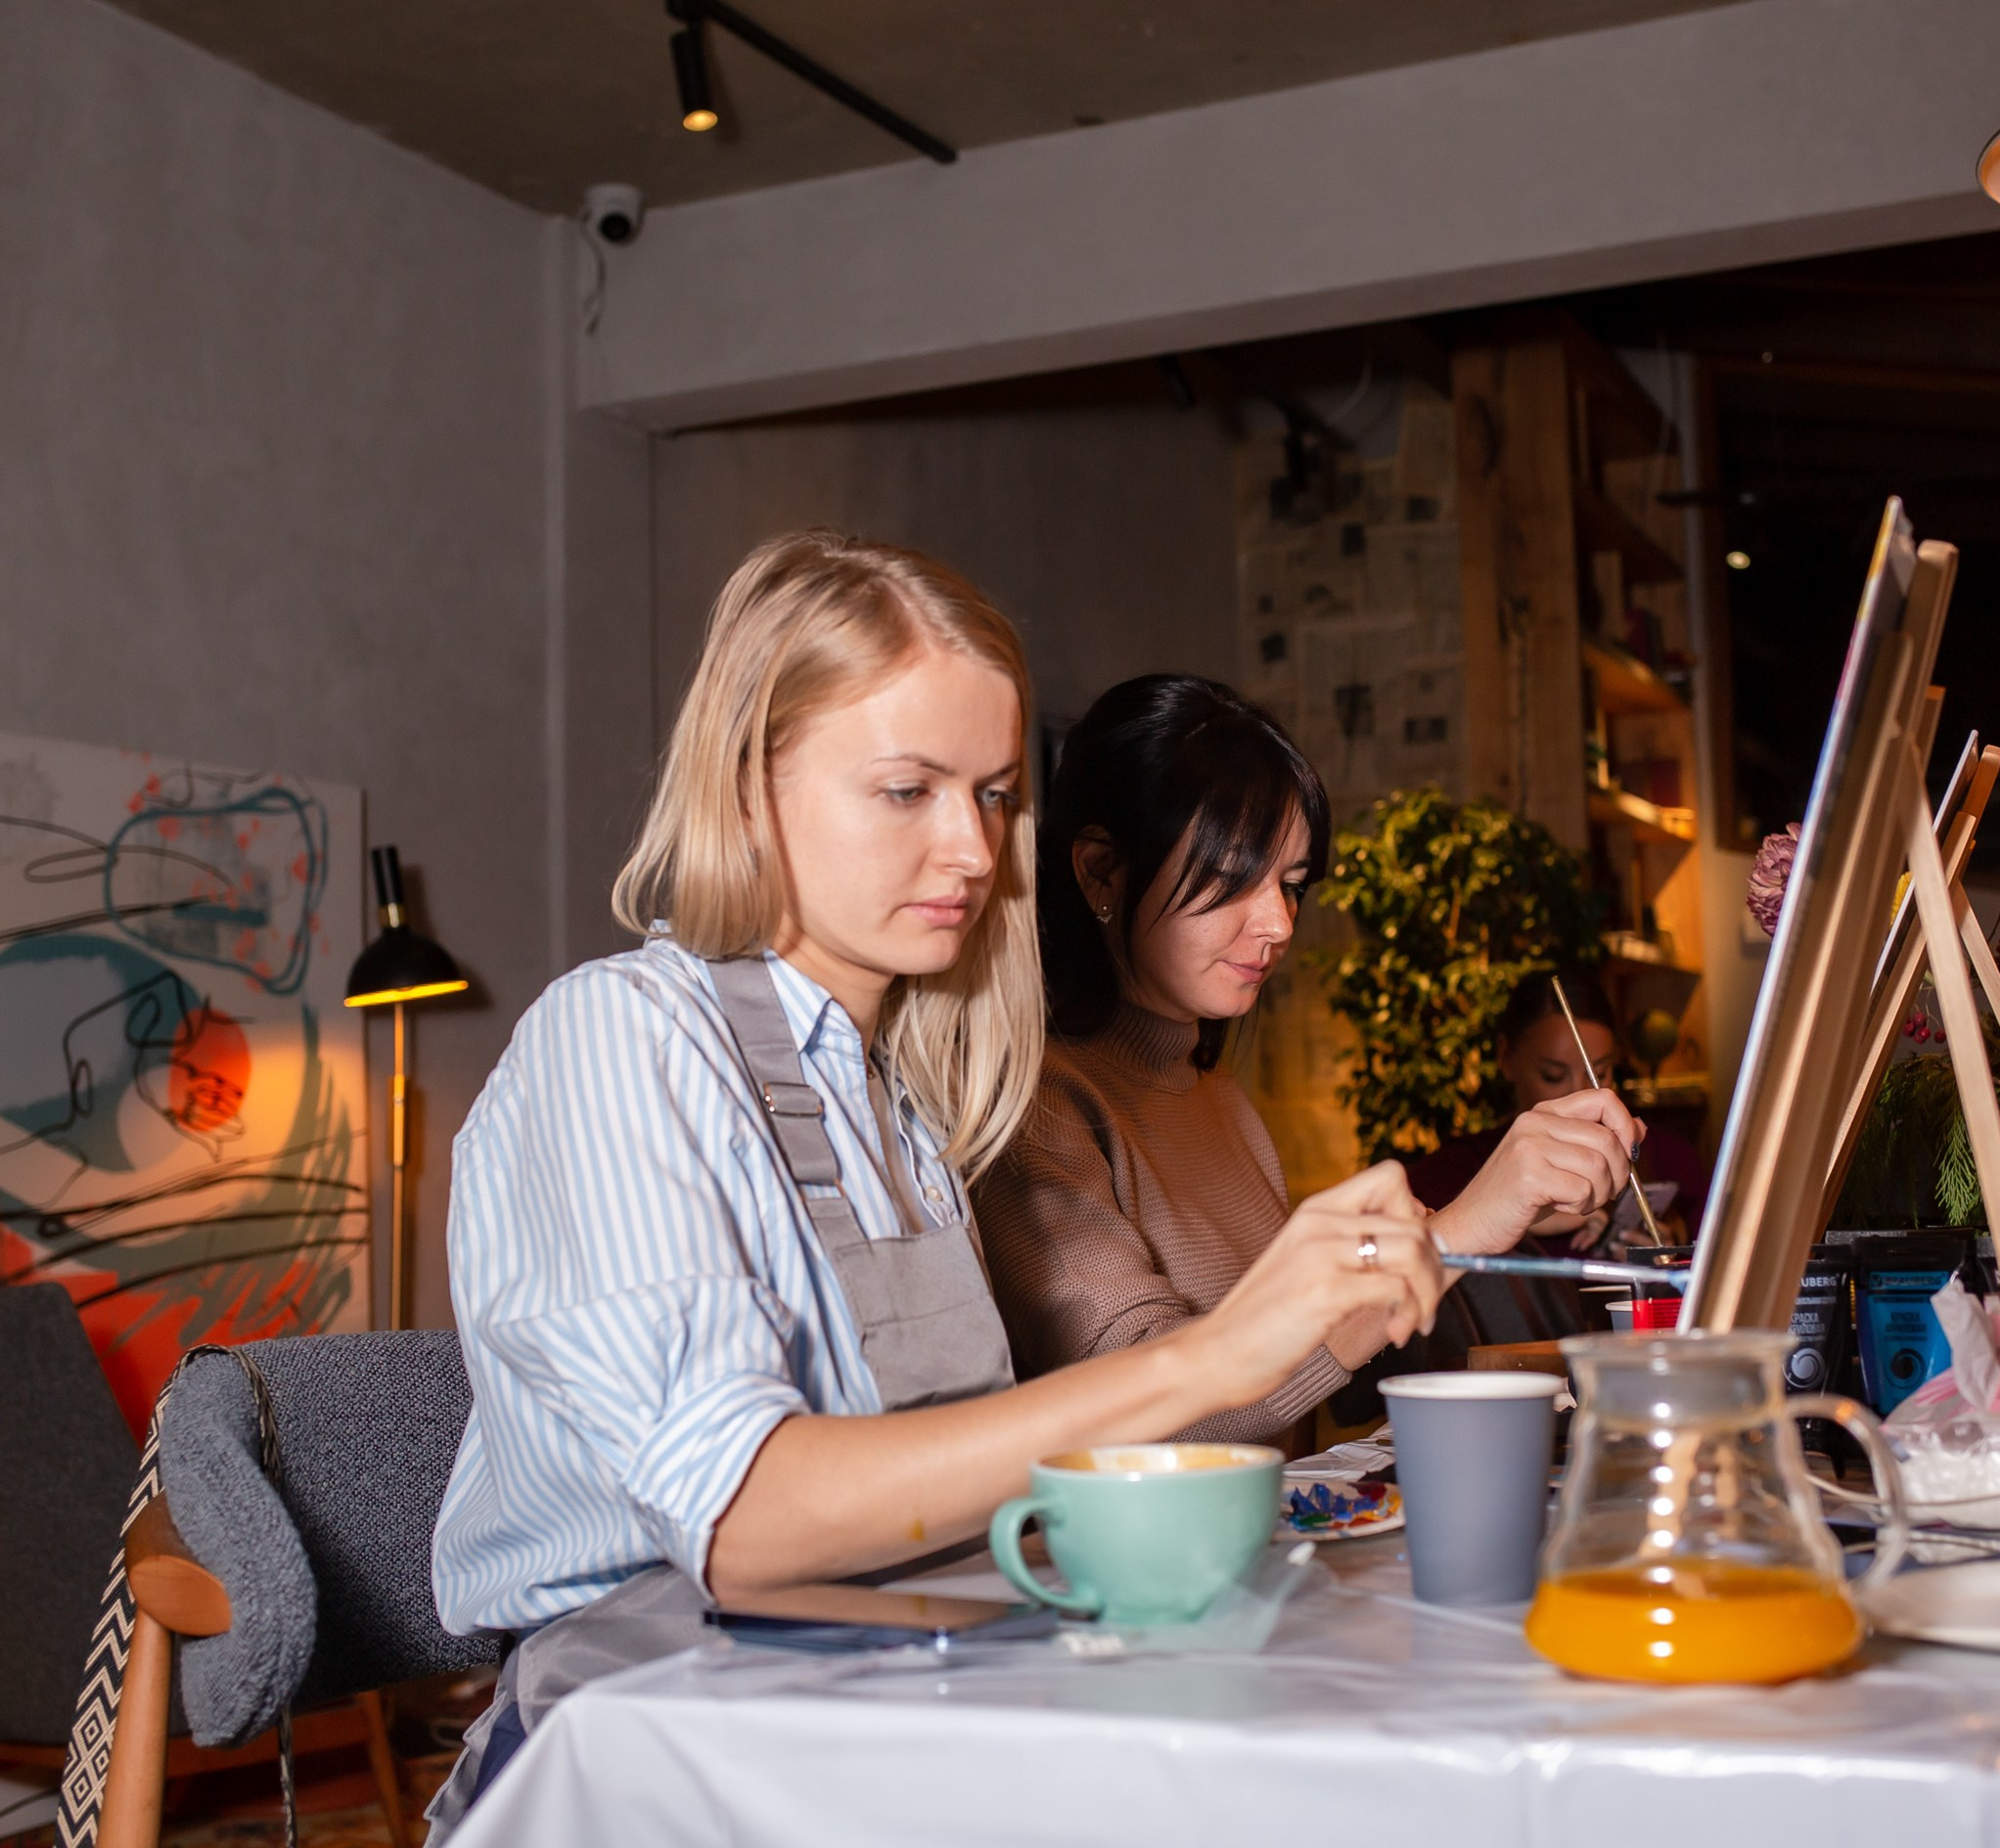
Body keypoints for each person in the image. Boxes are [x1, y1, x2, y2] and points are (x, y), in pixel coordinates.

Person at [424, 538, 1447, 1837]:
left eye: (996, 795)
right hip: (641, 1742)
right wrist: (1216, 1357)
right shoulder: (620, 1039)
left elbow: (952, 1488)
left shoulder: (901, 1100)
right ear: (750, 787)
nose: (970, 848)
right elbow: (744, 1519)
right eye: (908, 790)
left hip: (876, 1684)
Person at [975, 674, 1643, 1447]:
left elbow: (1307, 1377)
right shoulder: (1037, 1109)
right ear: (1101, 871)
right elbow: (1146, 1413)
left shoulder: (1219, 1099)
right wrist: (1454, 1232)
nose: (1279, 923)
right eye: (1232, 880)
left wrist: (1469, 1232)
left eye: (1290, 884)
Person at [1404, 969, 1708, 1251]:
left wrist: (1674, 1247)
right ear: (1506, 1058)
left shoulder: (1669, 1156)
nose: (1582, 1096)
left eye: (1599, 1074)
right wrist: (1498, 1218)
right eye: (1553, 1076)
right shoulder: (1450, 1172)